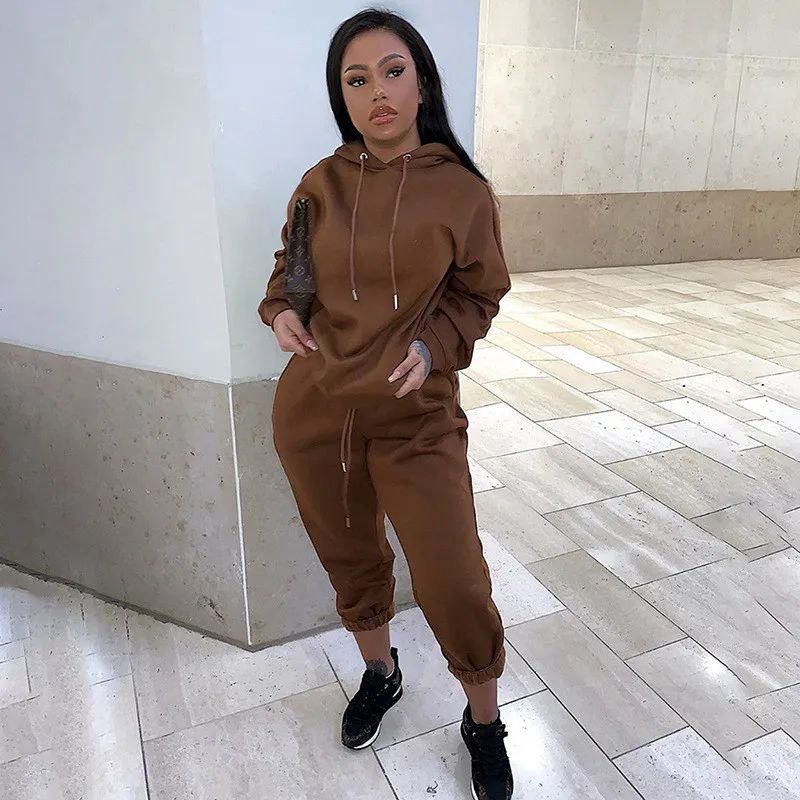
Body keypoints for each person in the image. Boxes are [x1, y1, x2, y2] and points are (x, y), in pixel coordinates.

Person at [259, 9, 513, 799]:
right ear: (341, 96)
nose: (378, 93)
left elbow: (480, 294)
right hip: (319, 414)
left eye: (393, 71)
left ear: (423, 82)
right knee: (351, 559)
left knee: (454, 580)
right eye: (357, 79)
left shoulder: (462, 192)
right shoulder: (320, 185)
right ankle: (381, 672)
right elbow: (292, 272)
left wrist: (431, 347)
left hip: (416, 417)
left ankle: (484, 720)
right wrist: (283, 310)